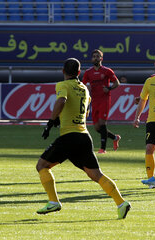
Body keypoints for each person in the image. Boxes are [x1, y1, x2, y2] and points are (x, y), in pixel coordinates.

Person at [36, 58, 131, 219]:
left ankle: (53, 202)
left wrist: (51, 122)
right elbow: (85, 111)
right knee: (96, 174)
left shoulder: (62, 85)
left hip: (69, 137)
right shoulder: (84, 89)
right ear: (79, 73)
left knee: (42, 166)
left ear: (63, 71)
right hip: (84, 136)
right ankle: (121, 203)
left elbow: (62, 100)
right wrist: (64, 117)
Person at [82, 49, 121, 154]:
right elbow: (82, 84)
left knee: (102, 123)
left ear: (101, 58)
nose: (96, 58)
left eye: (97, 56)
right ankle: (115, 137)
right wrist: (86, 89)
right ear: (92, 58)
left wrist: (109, 89)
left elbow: (117, 83)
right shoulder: (88, 72)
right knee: (97, 127)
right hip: (94, 101)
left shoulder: (107, 71)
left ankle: (102, 149)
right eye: (94, 56)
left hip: (104, 100)